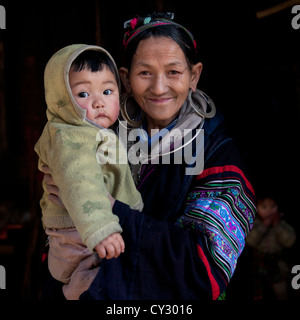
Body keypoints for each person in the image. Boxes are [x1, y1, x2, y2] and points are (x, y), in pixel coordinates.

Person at [42, 12, 256, 300]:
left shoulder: (217, 153)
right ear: (125, 79)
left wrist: (108, 209)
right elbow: (59, 235)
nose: (158, 87)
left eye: (173, 72)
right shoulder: (94, 138)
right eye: (145, 73)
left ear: (194, 76)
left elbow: (203, 268)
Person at [34, 44, 143, 299]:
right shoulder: (68, 137)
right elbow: (81, 181)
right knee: (92, 282)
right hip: (78, 235)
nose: (99, 102)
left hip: (87, 231)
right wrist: (101, 228)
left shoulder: (94, 132)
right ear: (60, 98)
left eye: (107, 91)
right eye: (83, 94)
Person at [246, 196, 296, 299]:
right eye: (264, 207)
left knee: (281, 291)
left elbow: (290, 242)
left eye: (272, 206)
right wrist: (264, 226)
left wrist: (277, 226)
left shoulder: (281, 223)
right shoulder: (254, 224)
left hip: (278, 264)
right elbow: (250, 241)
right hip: (259, 265)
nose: (269, 211)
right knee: (259, 292)